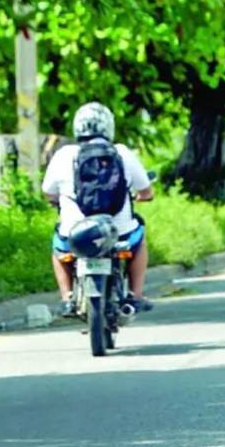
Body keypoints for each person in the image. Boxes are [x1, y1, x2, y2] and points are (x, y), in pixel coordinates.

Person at [42, 102, 154, 317]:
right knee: (139, 240)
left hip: (74, 232)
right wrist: (141, 197)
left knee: (59, 249)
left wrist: (58, 201)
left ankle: (66, 298)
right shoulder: (121, 152)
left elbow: (48, 191)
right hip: (119, 231)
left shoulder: (64, 155)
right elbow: (146, 191)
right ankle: (136, 295)